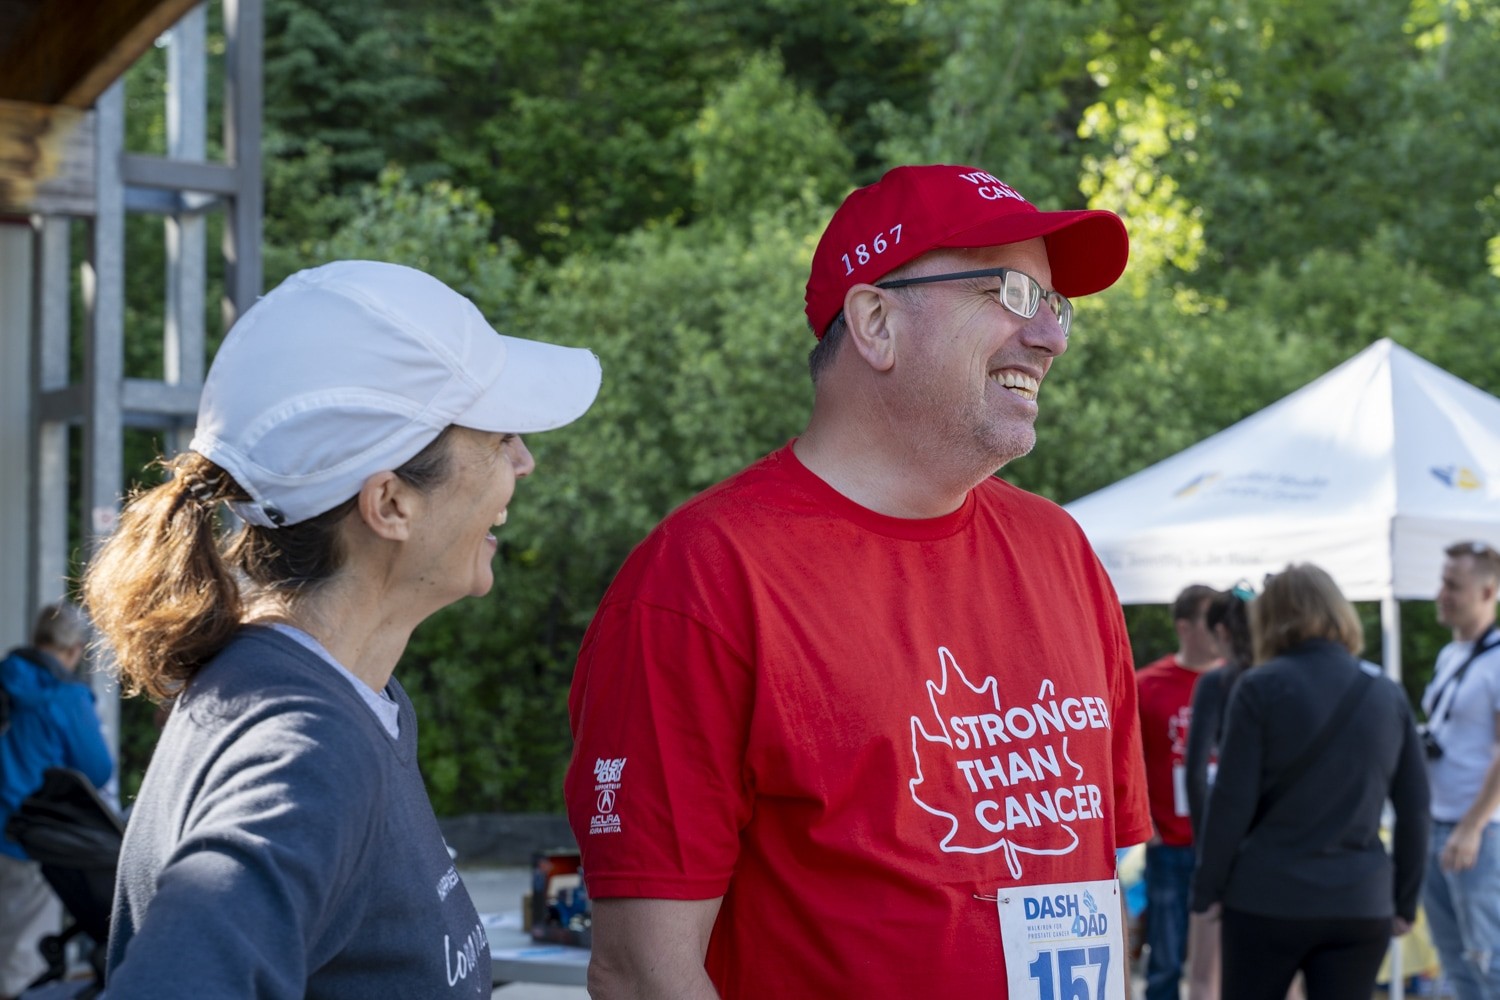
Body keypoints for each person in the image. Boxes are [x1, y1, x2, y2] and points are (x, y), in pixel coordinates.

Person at [563, 163, 1151, 998]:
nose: (1050, 336)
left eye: (1054, 305)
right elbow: (641, 974)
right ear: (876, 322)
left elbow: (1096, 880)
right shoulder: (704, 578)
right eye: (1011, 294)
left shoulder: (1062, 552)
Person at [80, 260, 601, 998]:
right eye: (497, 437)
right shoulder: (303, 751)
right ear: (389, 504)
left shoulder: (339, 696)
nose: (525, 461)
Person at [1191, 563, 1429, 1000]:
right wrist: (1405, 900)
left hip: (1267, 896)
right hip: (1360, 900)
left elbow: (1231, 801)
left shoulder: (1259, 687)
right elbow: (1415, 807)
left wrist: (1207, 890)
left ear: (1272, 617)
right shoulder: (1386, 691)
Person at [0, 601, 113, 1000]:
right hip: (29, 837)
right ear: (73, 649)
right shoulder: (65, 697)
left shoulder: (4, 677)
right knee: (20, 963)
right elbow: (97, 769)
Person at [1420, 540, 1500, 1000]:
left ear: (1488, 592)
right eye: (1442, 582)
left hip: (1478, 834)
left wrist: (1472, 826)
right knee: (1456, 964)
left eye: (1454, 586)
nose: (1442, 594)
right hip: (1439, 824)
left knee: (1488, 961)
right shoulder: (1451, 654)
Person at [1137, 583, 1220, 1000]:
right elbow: (1124, 757)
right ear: (1184, 627)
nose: (1221, 629)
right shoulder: (1147, 685)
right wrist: (1145, 824)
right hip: (1170, 843)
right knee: (1166, 961)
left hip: (1224, 844)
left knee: (1223, 964)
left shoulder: (1239, 681)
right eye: (1210, 620)